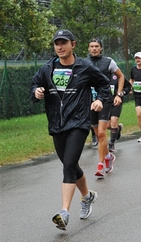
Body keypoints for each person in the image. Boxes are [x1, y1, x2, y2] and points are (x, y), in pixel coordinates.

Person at [30, 29, 110, 230]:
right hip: (57, 124)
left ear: (73, 45)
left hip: (79, 122)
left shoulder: (84, 67)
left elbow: (104, 84)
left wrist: (100, 99)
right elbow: (34, 85)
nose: (59, 46)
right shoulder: (47, 68)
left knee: (68, 166)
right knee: (71, 164)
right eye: (57, 43)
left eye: (64, 42)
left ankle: (64, 212)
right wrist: (36, 92)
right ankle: (87, 196)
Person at [87, 37, 123, 177]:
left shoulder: (109, 62)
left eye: (96, 46)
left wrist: (119, 94)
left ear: (101, 48)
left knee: (102, 133)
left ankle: (101, 164)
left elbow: (121, 77)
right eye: (92, 46)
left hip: (106, 100)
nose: (94, 48)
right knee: (96, 132)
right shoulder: (84, 62)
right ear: (89, 48)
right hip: (90, 101)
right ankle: (108, 156)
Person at [107, 74, 131, 152]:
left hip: (116, 102)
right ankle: (119, 128)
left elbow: (128, 87)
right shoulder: (101, 73)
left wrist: (121, 93)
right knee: (107, 126)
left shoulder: (118, 75)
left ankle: (111, 144)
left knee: (113, 121)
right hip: (105, 102)